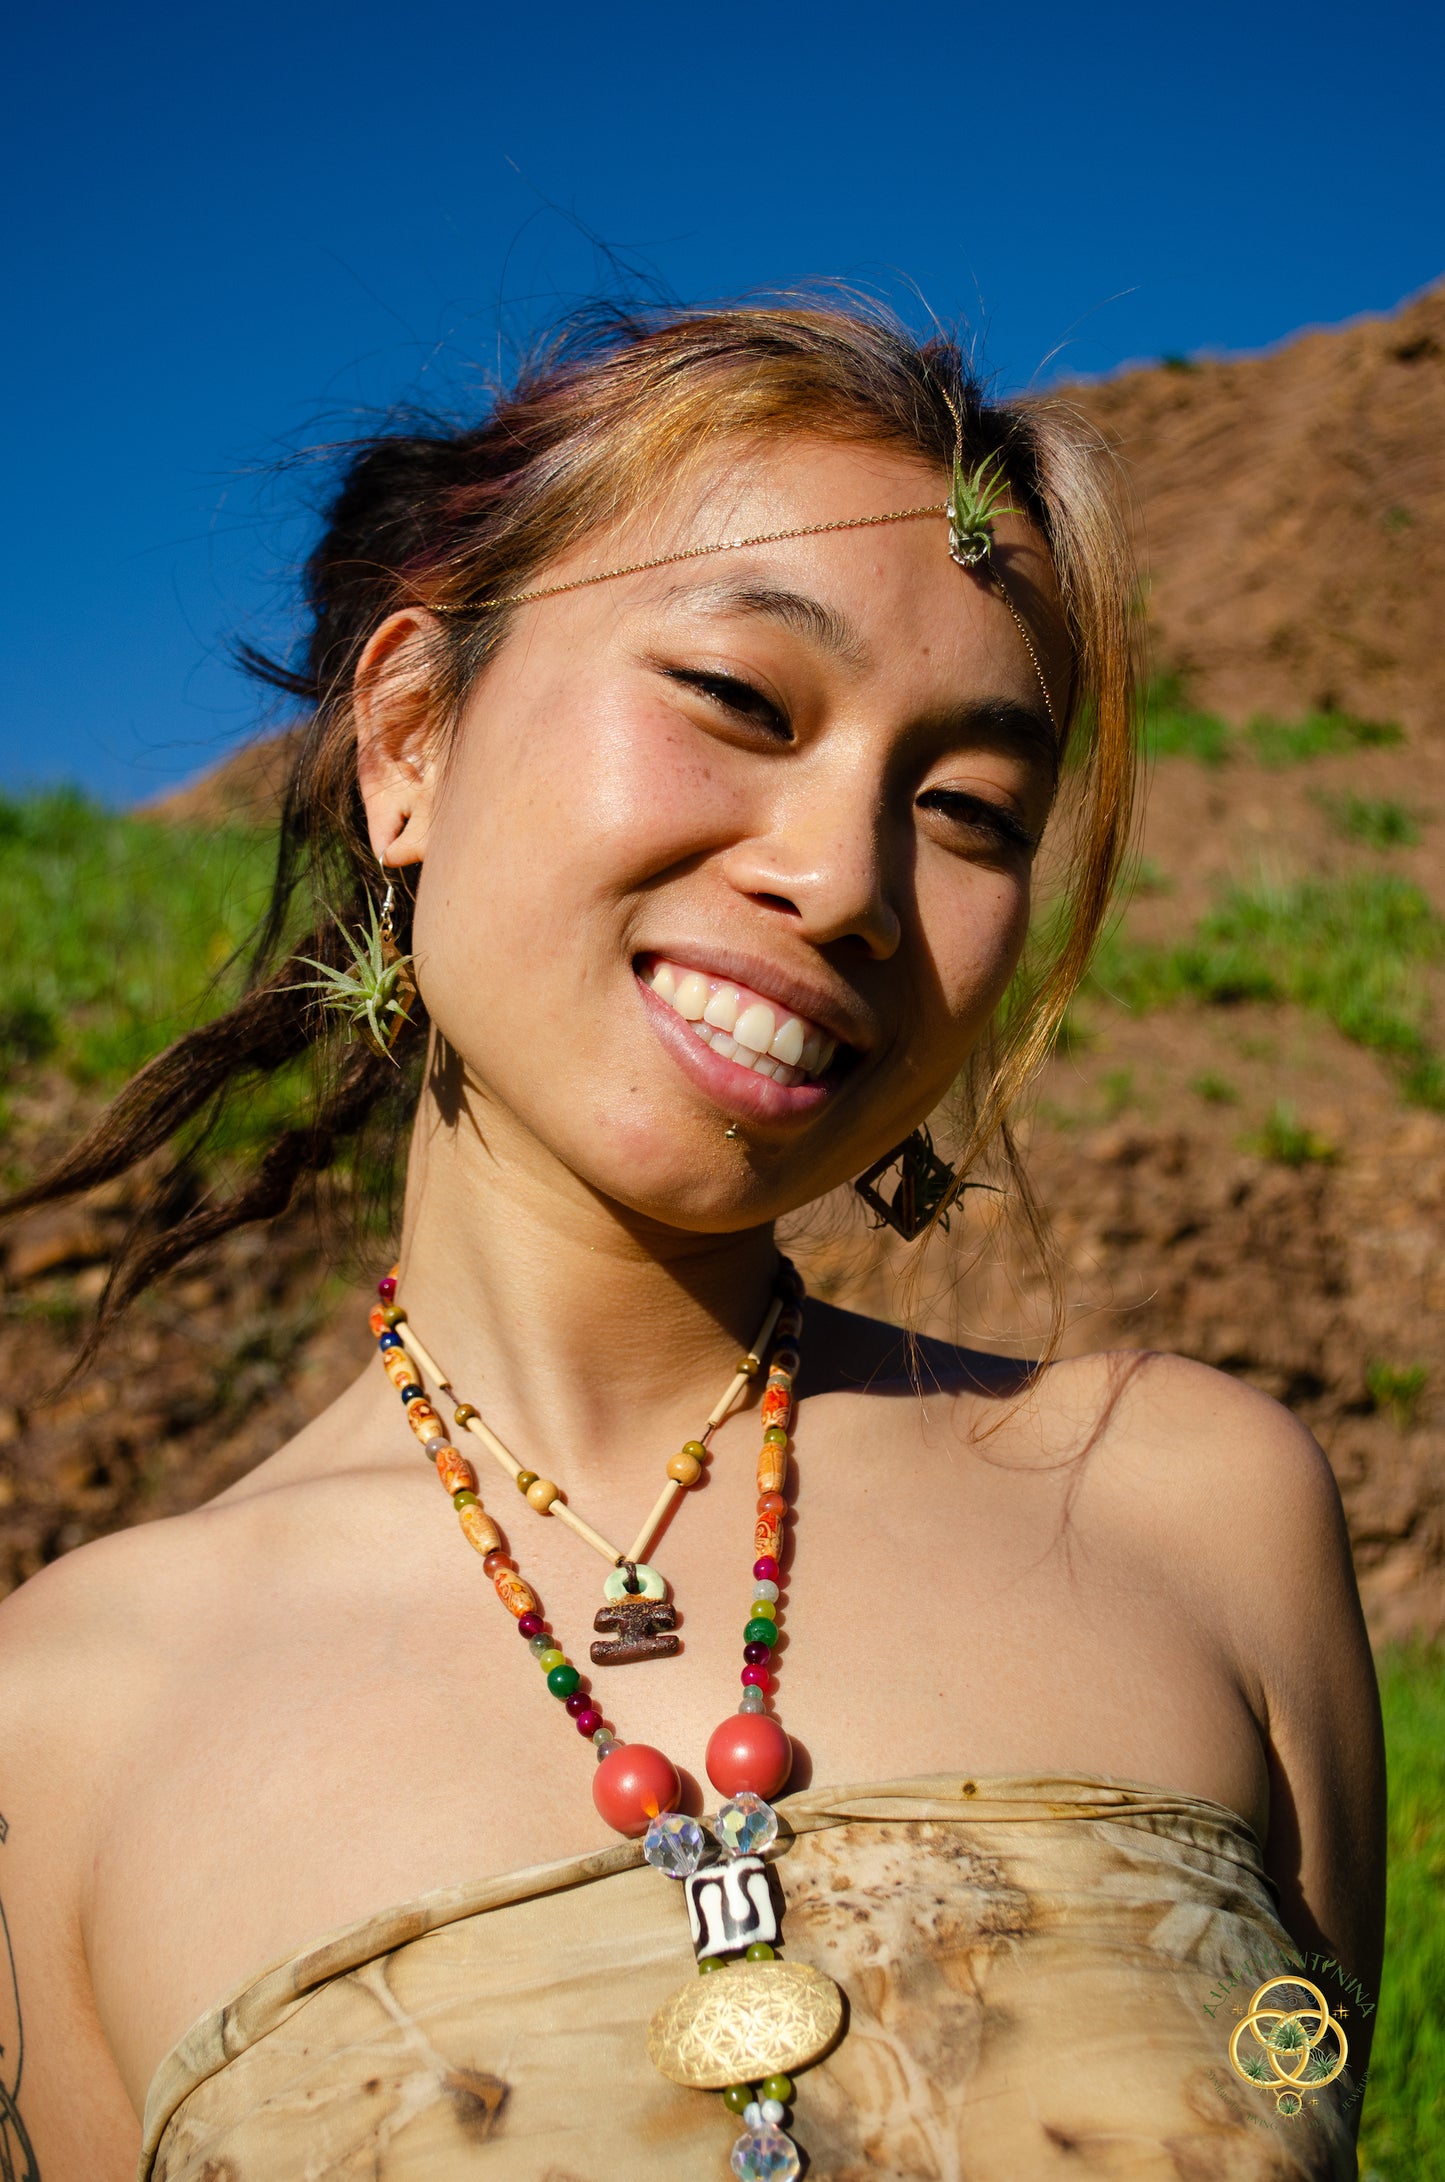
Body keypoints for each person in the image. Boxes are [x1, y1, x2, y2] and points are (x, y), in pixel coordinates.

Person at [0, 304, 1383, 2182]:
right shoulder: (62, 1725)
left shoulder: (1198, 1512)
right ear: (410, 735)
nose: (841, 878)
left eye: (968, 807)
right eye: (739, 701)